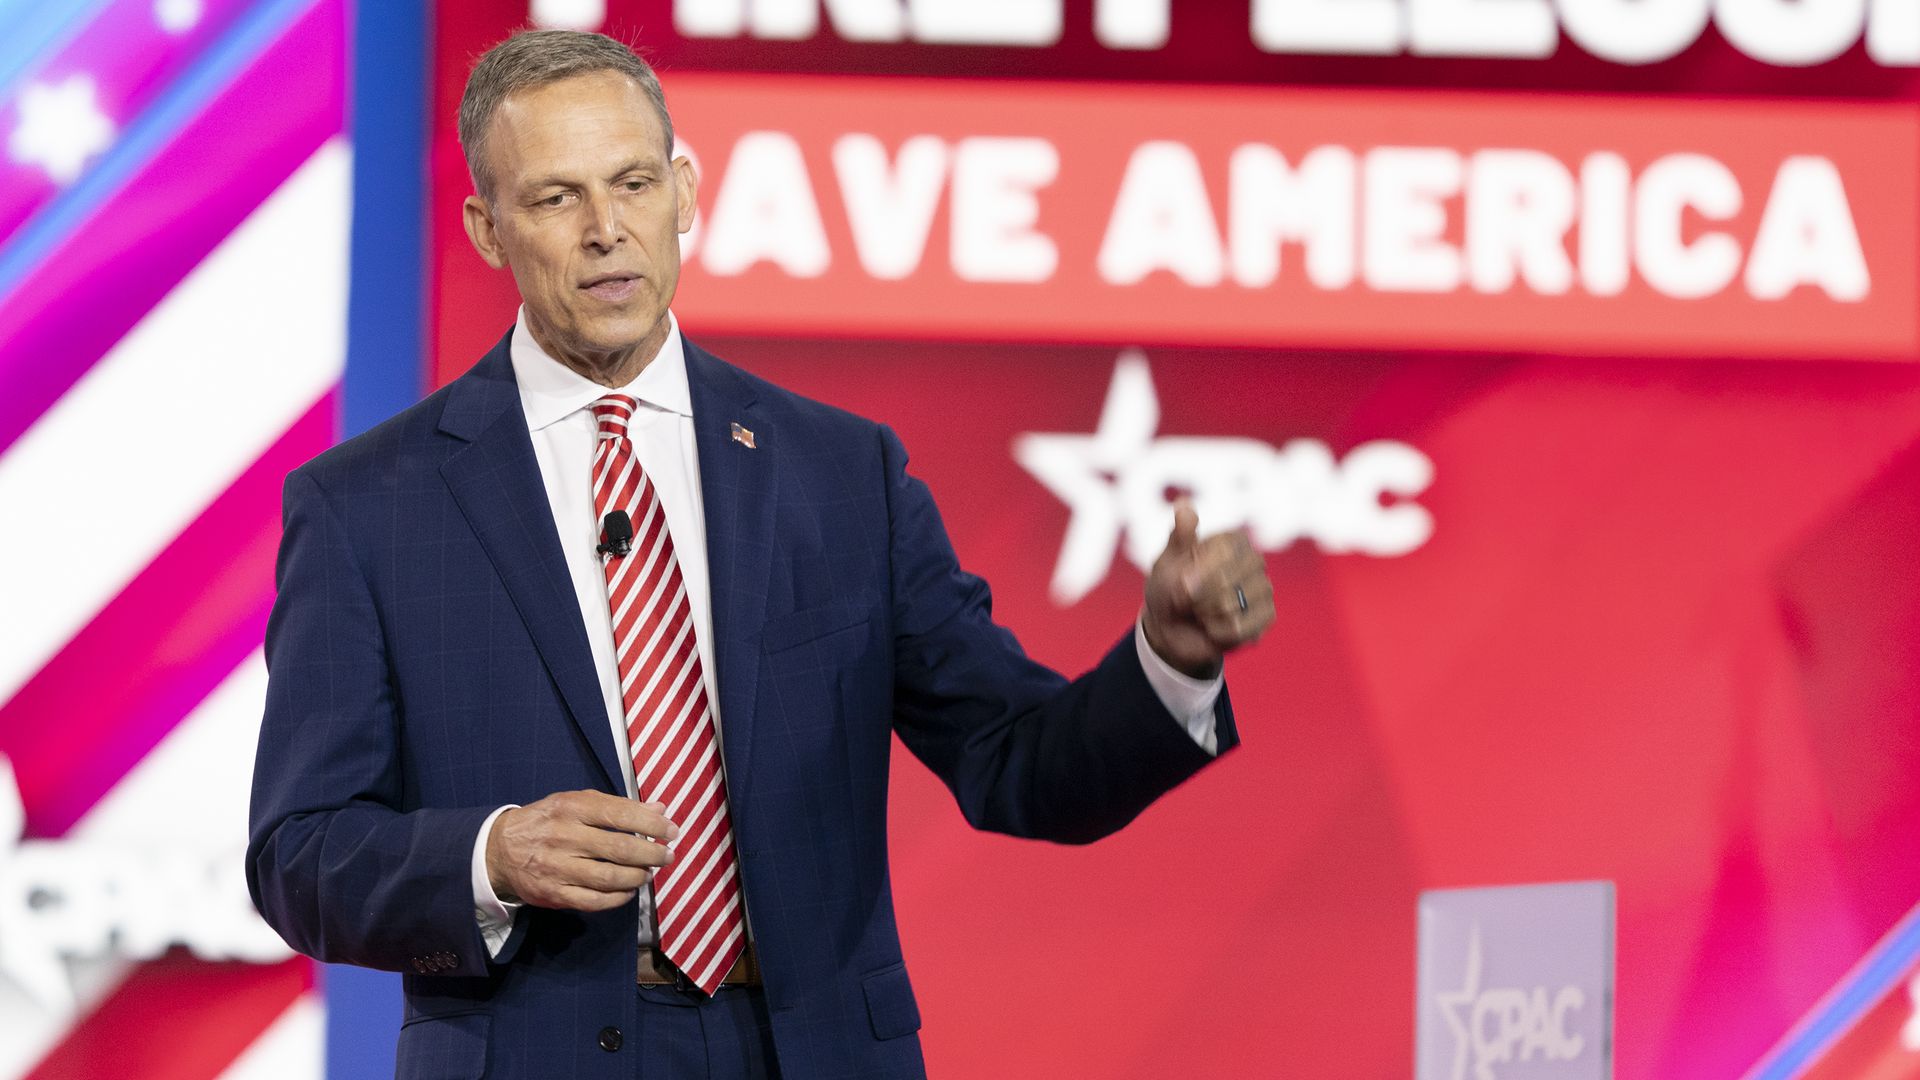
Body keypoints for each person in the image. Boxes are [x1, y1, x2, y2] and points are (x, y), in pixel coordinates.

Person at [246, 28, 1275, 1080]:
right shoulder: (368, 506)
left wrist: (1170, 657)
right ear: (487, 227)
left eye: (634, 183)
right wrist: (490, 857)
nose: (608, 231)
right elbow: (299, 855)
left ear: (684, 192)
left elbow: (1019, 762)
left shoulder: (840, 473)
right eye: (557, 199)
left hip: (811, 1051)